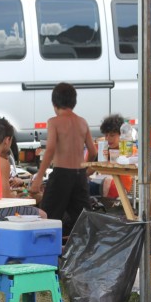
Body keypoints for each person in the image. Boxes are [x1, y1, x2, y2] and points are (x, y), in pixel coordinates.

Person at [30, 82, 97, 237]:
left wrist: (39, 177)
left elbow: (51, 148)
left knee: (46, 217)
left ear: (54, 104)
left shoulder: (54, 122)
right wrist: (84, 173)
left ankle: (47, 255)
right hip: (79, 175)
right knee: (85, 222)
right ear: (74, 102)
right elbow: (93, 152)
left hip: (61, 175)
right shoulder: (82, 122)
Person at [0, 117, 47, 220]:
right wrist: (27, 198)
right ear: (7, 140)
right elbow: (5, 199)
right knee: (43, 215)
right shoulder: (2, 162)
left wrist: (20, 197)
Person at [91, 114, 133, 198]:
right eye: (106, 135)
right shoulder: (104, 149)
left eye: (112, 135)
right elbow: (90, 170)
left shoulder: (127, 149)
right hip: (103, 183)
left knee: (106, 182)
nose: (108, 138)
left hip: (119, 186)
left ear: (121, 134)